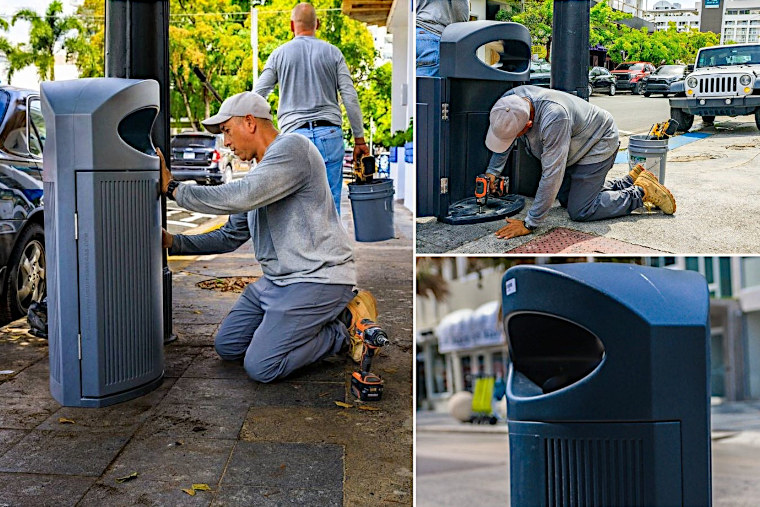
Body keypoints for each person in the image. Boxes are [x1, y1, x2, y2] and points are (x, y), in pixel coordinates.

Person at [159, 91, 378, 382]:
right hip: (276, 282)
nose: (226, 143)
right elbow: (230, 235)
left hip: (318, 278)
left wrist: (173, 188)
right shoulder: (260, 174)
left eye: (227, 131)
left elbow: (240, 195)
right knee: (228, 346)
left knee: (261, 366)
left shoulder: (293, 149)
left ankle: (345, 329)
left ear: (250, 122)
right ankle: (312, 322)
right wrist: (175, 242)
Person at [484, 85, 676, 240]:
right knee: (566, 198)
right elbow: (506, 135)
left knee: (580, 210)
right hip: (577, 143)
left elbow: (552, 173)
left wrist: (530, 223)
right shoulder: (510, 102)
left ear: (527, 125)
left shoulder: (554, 117)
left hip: (598, 141)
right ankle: (625, 182)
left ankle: (641, 192)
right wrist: (493, 172)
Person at [254, 3, 368, 215]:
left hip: (293, 137)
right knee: (330, 205)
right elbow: (350, 97)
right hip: (329, 135)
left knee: (293, 205)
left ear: (291, 26)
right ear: (317, 24)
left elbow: (257, 95)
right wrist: (359, 140)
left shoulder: (279, 55)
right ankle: (331, 248)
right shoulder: (333, 53)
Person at [416, 0, 469, 76]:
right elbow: (461, 15)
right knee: (426, 87)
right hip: (432, 38)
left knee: (408, 86)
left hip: (412, 36)